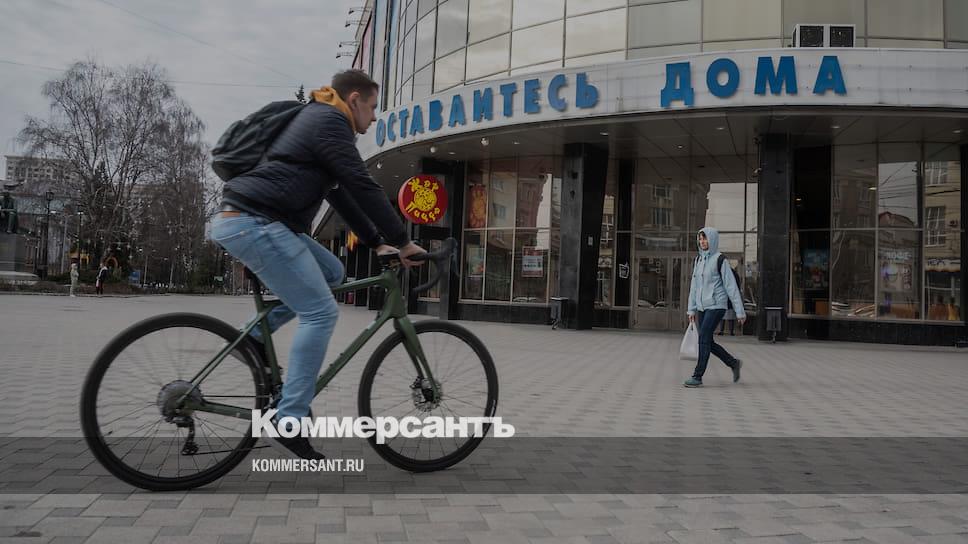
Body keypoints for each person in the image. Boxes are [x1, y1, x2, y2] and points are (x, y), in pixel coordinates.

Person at [211, 69, 425, 460]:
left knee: (332, 272)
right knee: (321, 313)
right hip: (255, 221)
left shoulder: (322, 120)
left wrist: (377, 242)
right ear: (354, 99)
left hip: (261, 221)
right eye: (373, 107)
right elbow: (362, 184)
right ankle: (289, 418)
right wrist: (403, 240)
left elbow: (343, 196)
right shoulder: (329, 121)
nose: (374, 117)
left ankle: (255, 338)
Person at [684, 227, 746, 387]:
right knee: (707, 341)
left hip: (717, 305)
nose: (702, 242)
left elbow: (731, 287)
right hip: (702, 307)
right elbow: (694, 287)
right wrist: (691, 309)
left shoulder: (720, 260)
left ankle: (697, 376)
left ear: (712, 240)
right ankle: (733, 363)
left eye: (705, 238)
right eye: (700, 239)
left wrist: (739, 312)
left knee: (703, 338)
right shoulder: (698, 260)